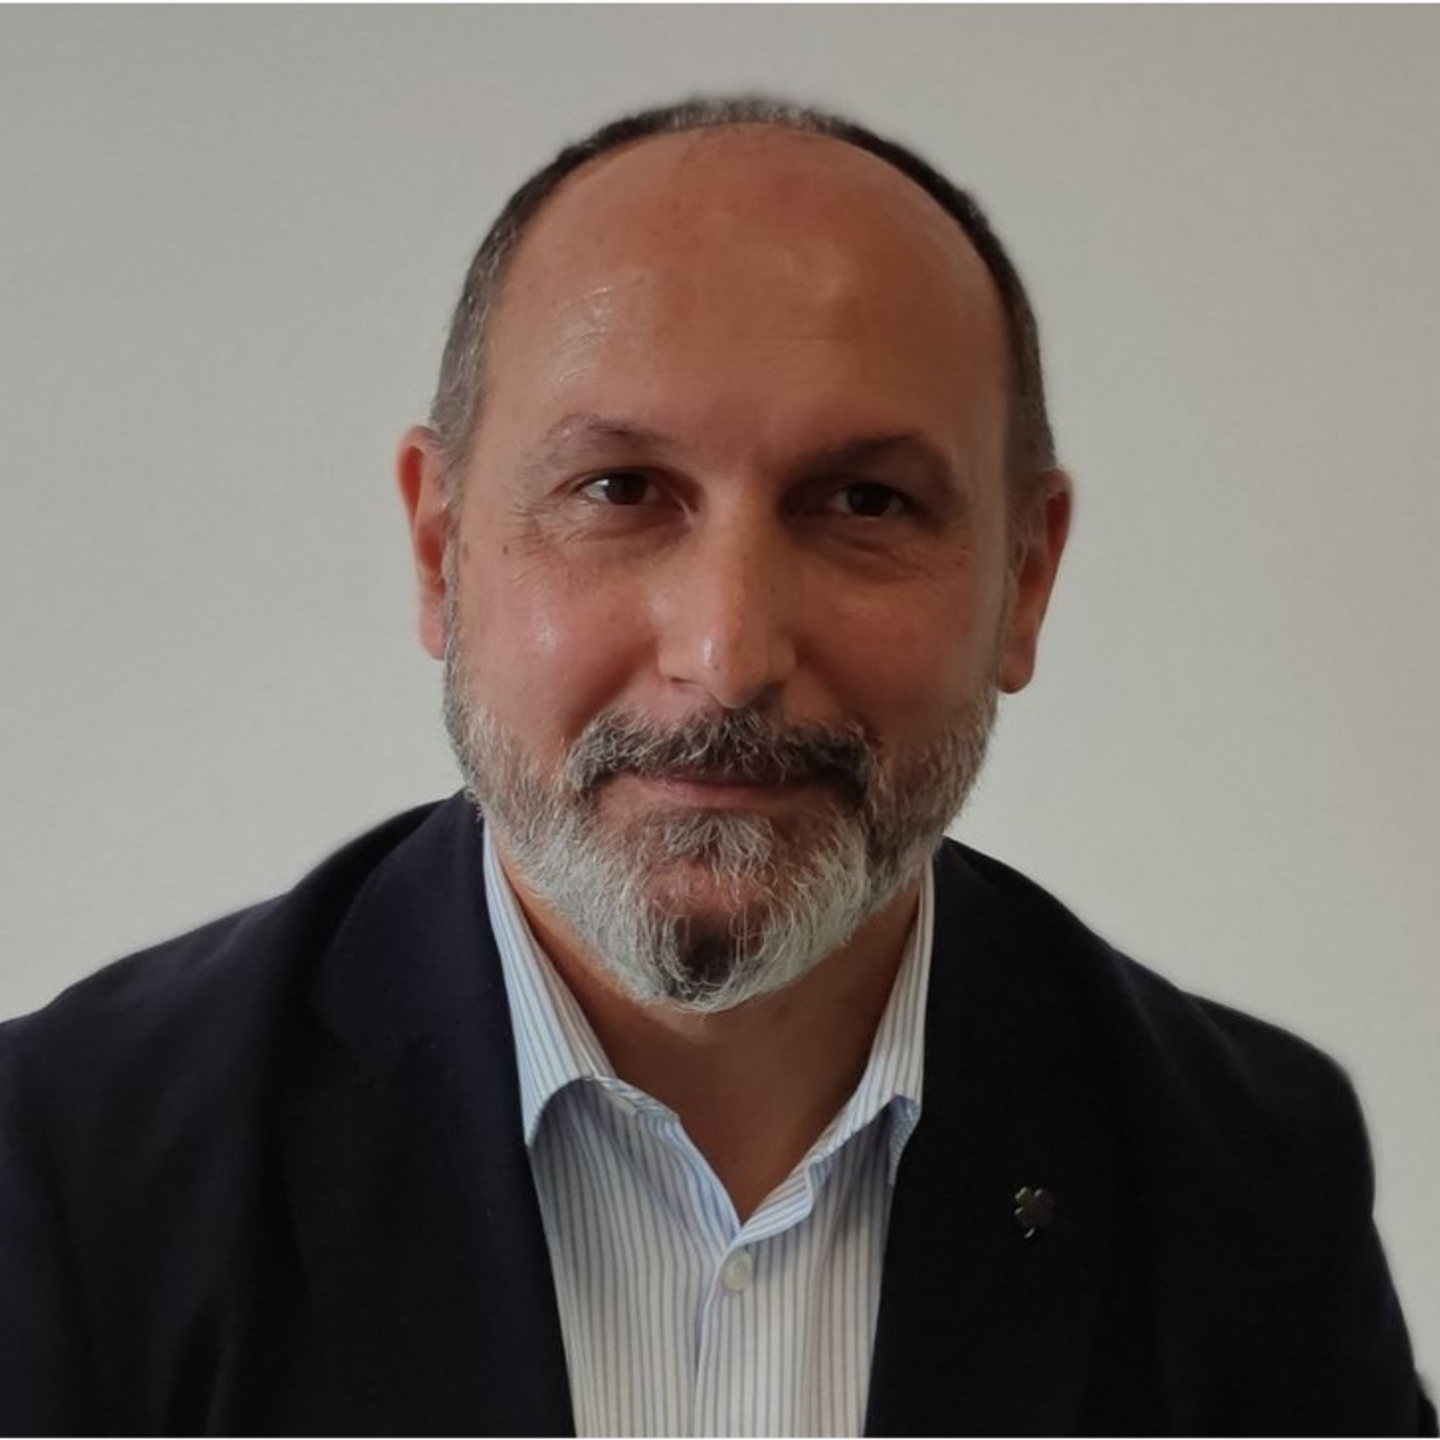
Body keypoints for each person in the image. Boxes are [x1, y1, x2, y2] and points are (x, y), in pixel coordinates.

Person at [0, 96, 1432, 1437]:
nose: (729, 652)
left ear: (1026, 579)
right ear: (440, 551)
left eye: (864, 501)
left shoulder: (1248, 1181)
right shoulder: (67, 1174)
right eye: (619, 490)